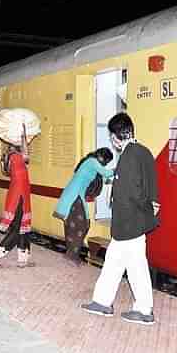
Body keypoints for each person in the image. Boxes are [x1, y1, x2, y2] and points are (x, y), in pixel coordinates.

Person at [82, 113, 160, 326]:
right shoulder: (144, 152)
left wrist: (141, 211)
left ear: (117, 137)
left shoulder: (128, 156)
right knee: (119, 263)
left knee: (132, 266)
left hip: (128, 223)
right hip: (136, 222)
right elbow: (151, 186)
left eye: (111, 137)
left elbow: (131, 193)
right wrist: (150, 209)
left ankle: (141, 309)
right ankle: (103, 302)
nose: (112, 141)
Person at [53, 148, 114, 266]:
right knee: (80, 226)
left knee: (77, 225)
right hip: (73, 196)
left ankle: (71, 254)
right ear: (102, 157)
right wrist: (119, 168)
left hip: (77, 196)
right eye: (106, 161)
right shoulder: (92, 162)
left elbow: (105, 178)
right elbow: (106, 173)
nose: (105, 164)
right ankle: (71, 255)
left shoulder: (91, 164)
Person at [0, 125, 35, 268]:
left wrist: (23, 137)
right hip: (19, 196)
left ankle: (23, 259)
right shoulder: (16, 157)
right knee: (17, 229)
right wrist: (24, 135)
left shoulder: (10, 156)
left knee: (23, 229)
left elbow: (25, 154)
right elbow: (26, 154)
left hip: (19, 195)